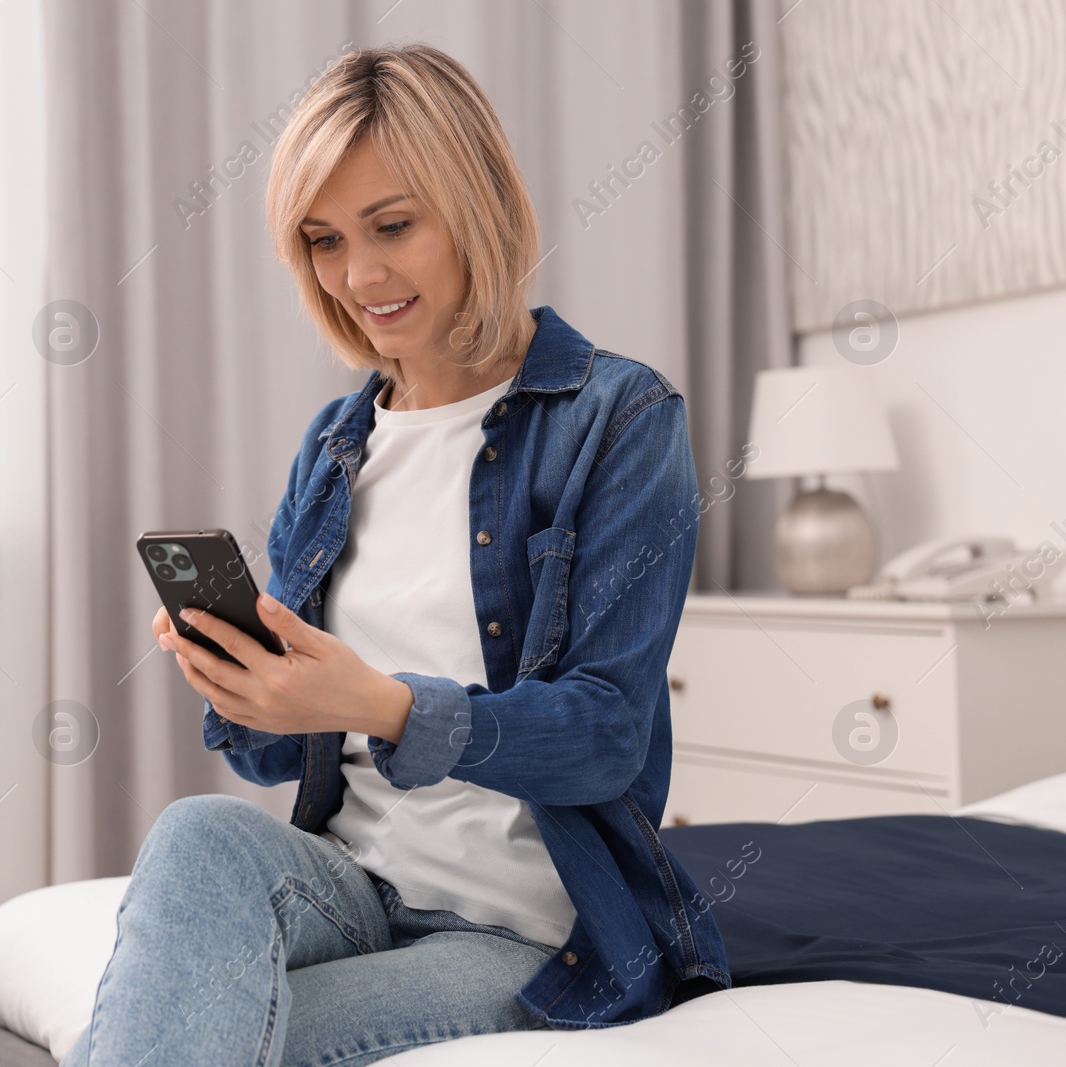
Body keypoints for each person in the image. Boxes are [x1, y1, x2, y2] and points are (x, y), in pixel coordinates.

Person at [60, 43, 729, 1067]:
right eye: (323, 238)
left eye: (393, 225)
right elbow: (274, 756)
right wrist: (244, 681)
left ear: (478, 203)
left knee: (222, 1038)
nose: (357, 275)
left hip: (520, 931)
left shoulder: (619, 416)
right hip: (351, 885)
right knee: (199, 834)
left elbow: (606, 735)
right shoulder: (338, 444)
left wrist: (380, 704)